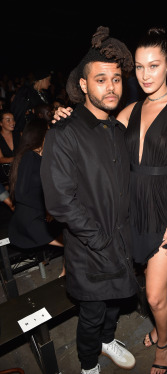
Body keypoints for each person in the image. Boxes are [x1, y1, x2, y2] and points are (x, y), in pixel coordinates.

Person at [54, 27, 167, 374]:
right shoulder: (130, 110)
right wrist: (65, 116)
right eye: (139, 67)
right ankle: (152, 328)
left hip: (165, 207)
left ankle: (164, 343)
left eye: (154, 65)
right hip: (130, 207)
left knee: (153, 296)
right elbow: (93, 127)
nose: (146, 74)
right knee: (129, 284)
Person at [40, 27, 138, 374]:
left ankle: (108, 340)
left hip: (121, 241)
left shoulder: (118, 131)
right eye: (100, 79)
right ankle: (87, 365)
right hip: (91, 247)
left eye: (116, 79)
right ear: (83, 85)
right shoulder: (63, 133)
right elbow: (60, 201)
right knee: (93, 312)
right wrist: (99, 239)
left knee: (116, 303)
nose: (110, 87)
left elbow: (128, 181)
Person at [8, 117, 63, 250]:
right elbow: (21, 194)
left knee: (72, 238)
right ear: (40, 134)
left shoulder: (41, 158)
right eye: (48, 131)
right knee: (73, 244)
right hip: (30, 221)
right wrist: (47, 208)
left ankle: (65, 270)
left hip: (41, 216)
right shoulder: (28, 156)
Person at [0, 110, 20, 186]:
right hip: (5, 178)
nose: (12, 122)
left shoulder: (19, 134)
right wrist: (16, 159)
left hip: (19, 173)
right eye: (8, 120)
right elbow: (1, 159)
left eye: (13, 120)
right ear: (1, 123)